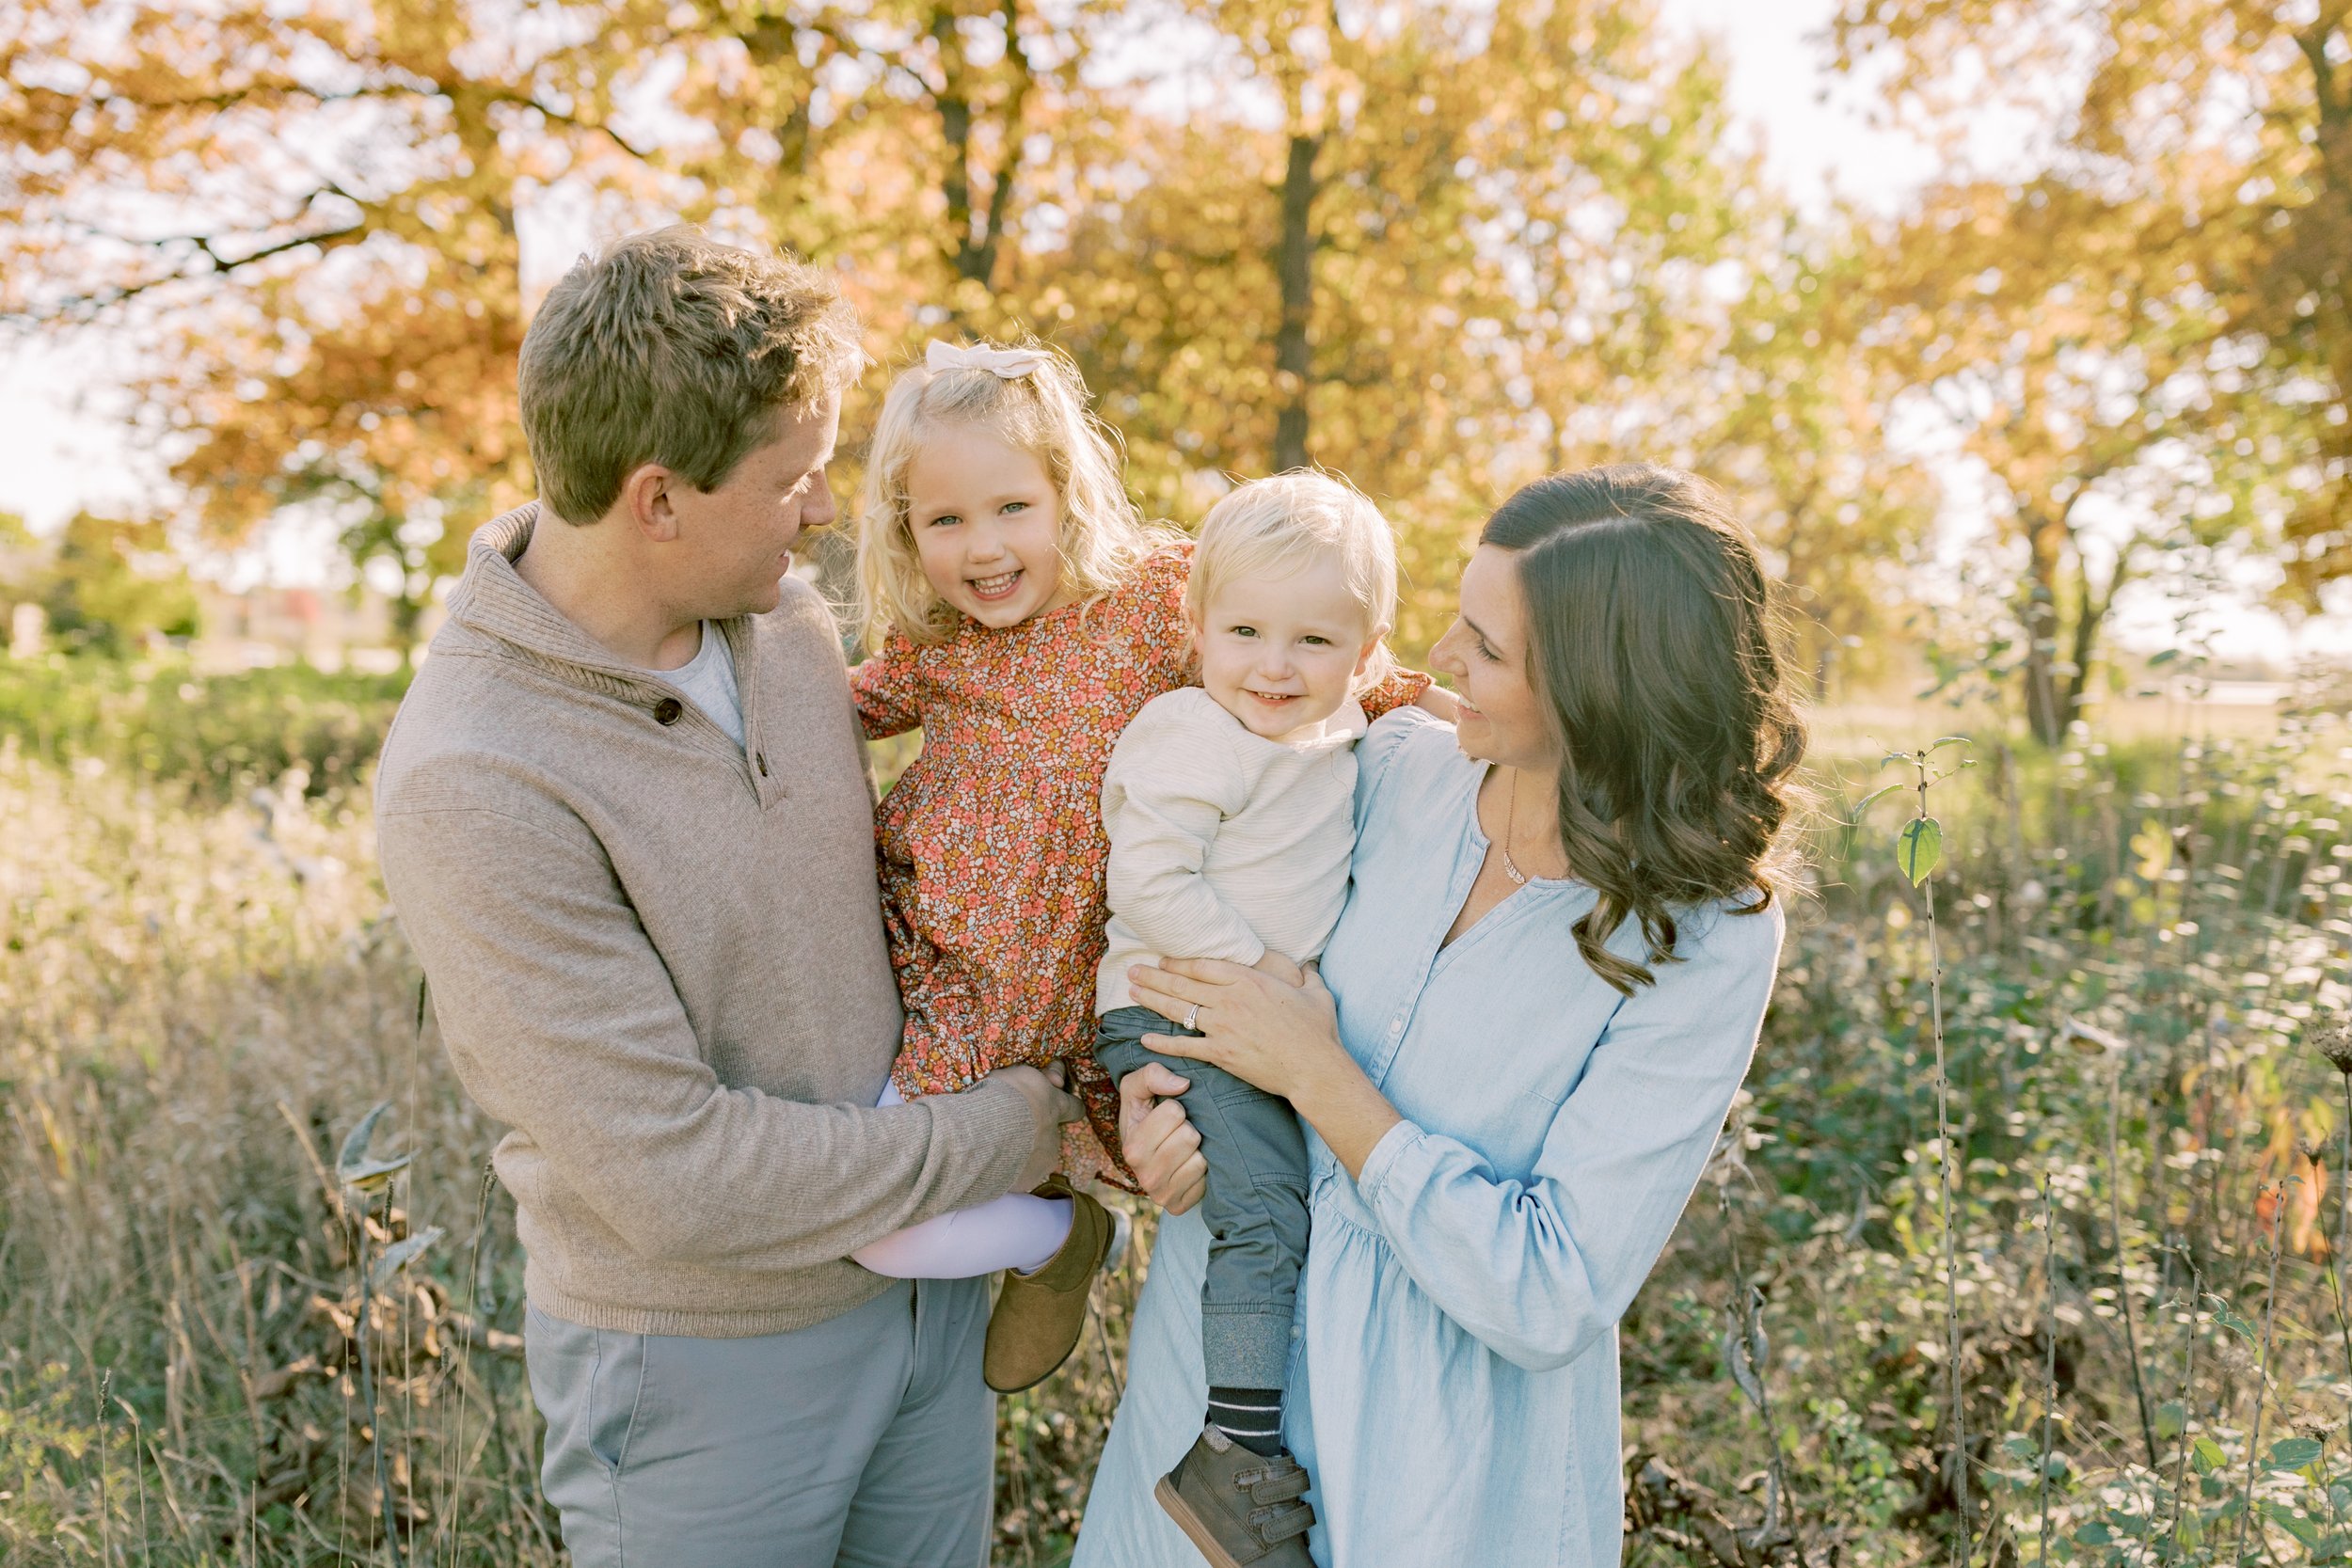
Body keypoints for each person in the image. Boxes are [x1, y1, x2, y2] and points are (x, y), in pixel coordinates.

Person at [374, 228, 1079, 1568]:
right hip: (708, 1369)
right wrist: (1018, 1128)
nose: (822, 512)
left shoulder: (786, 623)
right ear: (657, 499)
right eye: (793, 479)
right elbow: (679, 1178)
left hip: (928, 1306)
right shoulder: (475, 777)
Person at [1078, 463, 1806, 1567]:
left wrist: (1316, 1073)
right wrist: (1155, 1098)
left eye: (1490, 648)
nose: (1438, 662)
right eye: (1457, 620)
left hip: (1434, 1469)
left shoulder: (1705, 936)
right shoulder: (1379, 763)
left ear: (1604, 690)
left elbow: (1552, 1289)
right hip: (1209, 1416)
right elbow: (1177, 925)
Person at [843, 342, 1447, 1397]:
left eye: (1010, 508)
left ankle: (1069, 1239)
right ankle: (1058, 1240)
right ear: (907, 530)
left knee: (1103, 1166)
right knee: (878, 1221)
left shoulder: (1154, 600)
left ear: (1067, 494)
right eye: (944, 522)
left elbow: (1313, 654)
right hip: (954, 983)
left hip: (1090, 984)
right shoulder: (931, 645)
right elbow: (822, 712)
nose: (982, 548)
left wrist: (1450, 710)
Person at [1090, 473, 1411, 1568]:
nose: (1274, 665)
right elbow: (1149, 882)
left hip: (1235, 1011)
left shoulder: (1340, 734)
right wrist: (1270, 974)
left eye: (1313, 638)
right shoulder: (1190, 732)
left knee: (1277, 1201)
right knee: (1266, 1210)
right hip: (1172, 1003)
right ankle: (1234, 1450)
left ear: (1367, 650)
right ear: (1195, 629)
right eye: (1244, 631)